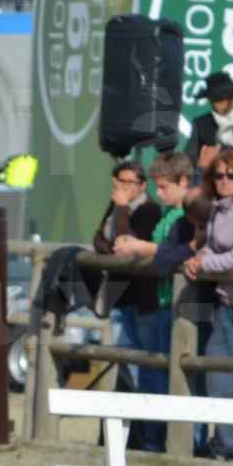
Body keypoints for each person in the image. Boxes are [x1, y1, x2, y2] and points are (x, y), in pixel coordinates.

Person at [112, 151, 199, 453]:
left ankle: (184, 443)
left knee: (180, 374)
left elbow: (172, 249)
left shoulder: (188, 213)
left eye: (164, 187)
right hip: (164, 300)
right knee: (158, 371)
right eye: (157, 187)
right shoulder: (167, 213)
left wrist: (139, 247)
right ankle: (157, 440)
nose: (158, 193)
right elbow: (165, 249)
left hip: (181, 303)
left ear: (184, 181)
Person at [180, 148, 233, 460]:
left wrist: (205, 262)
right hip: (226, 303)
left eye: (232, 174)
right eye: (219, 175)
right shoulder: (217, 208)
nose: (225, 180)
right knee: (218, 378)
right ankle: (229, 446)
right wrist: (200, 257)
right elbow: (190, 203)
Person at [91, 161, 163, 390]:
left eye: (129, 182)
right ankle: (130, 423)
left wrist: (121, 208)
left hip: (141, 297)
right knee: (124, 360)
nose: (123, 187)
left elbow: (126, 244)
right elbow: (100, 239)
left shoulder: (149, 209)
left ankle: (145, 421)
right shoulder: (116, 206)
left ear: (142, 186)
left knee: (143, 362)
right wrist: (119, 209)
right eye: (119, 181)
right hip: (119, 295)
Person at [184, 69, 233, 183]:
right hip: (211, 187)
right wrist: (202, 166)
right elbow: (188, 164)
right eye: (215, 99)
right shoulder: (201, 124)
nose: (219, 104)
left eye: (224, 97)